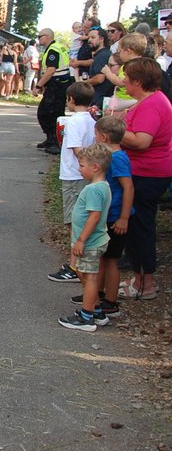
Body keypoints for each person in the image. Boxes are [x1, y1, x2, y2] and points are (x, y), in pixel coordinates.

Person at [117, 57, 172, 301]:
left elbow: (141, 141)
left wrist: (115, 130)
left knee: (141, 227)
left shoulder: (152, 105)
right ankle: (141, 279)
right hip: (148, 169)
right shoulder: (152, 100)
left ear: (138, 81)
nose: (124, 82)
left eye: (127, 79)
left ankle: (145, 283)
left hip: (148, 172)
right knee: (140, 225)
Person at [57, 143, 113, 332]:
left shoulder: (93, 190)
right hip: (93, 241)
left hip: (90, 242)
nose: (79, 169)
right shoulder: (102, 186)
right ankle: (97, 310)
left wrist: (81, 240)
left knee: (89, 278)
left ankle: (86, 317)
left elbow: (95, 216)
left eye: (82, 166)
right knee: (83, 273)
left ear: (95, 167)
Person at [83, 116, 134, 321]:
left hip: (115, 217)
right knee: (102, 259)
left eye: (95, 135)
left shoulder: (118, 158)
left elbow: (128, 187)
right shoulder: (109, 156)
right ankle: (97, 294)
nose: (94, 138)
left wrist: (123, 217)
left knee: (112, 260)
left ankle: (111, 302)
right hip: (106, 216)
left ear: (103, 137)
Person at [47, 82, 97, 284]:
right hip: (81, 175)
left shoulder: (74, 122)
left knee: (74, 221)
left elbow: (77, 149)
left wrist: (85, 167)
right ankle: (78, 263)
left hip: (74, 175)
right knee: (78, 219)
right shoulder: (91, 120)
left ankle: (75, 265)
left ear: (71, 100)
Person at [33, 28, 73, 154]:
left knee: (49, 113)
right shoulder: (57, 47)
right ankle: (51, 138)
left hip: (57, 85)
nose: (38, 39)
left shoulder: (53, 50)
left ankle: (55, 141)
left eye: (40, 36)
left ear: (48, 36)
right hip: (59, 84)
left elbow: (51, 70)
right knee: (49, 113)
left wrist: (38, 86)